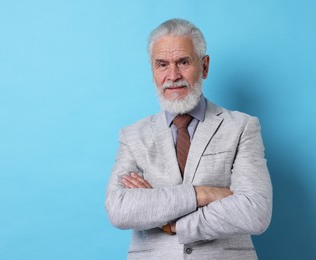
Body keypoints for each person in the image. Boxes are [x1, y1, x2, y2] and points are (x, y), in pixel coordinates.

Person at [105, 18, 272, 260]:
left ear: (204, 66)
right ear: (153, 71)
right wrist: (202, 194)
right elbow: (120, 210)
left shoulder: (242, 127)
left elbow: (255, 212)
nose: (173, 75)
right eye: (162, 64)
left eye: (183, 62)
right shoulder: (132, 136)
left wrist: (173, 224)